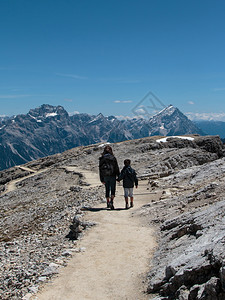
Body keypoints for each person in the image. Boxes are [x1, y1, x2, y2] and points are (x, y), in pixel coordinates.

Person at [99, 145, 120, 209]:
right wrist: (119, 177)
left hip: (105, 176)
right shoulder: (113, 158)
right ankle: (111, 201)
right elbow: (116, 168)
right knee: (113, 189)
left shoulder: (102, 158)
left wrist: (101, 179)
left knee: (107, 189)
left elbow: (100, 169)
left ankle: (108, 202)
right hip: (113, 175)